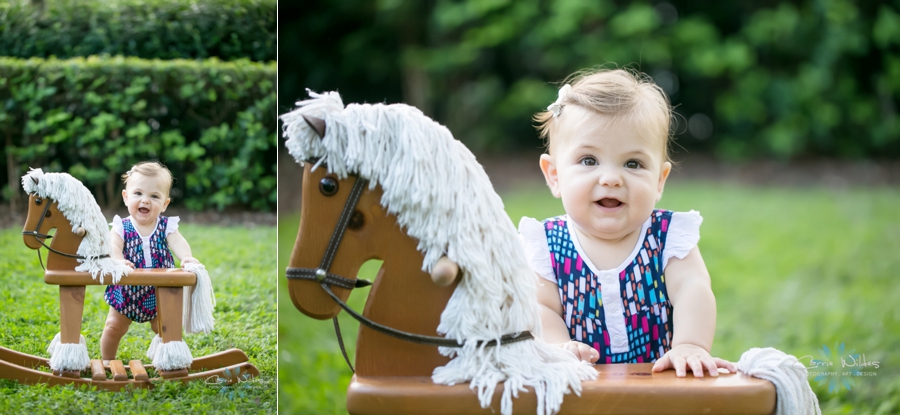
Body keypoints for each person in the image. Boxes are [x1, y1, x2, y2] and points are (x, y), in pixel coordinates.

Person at [519, 69, 736, 377]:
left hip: (660, 385)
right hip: (581, 388)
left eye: (633, 163)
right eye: (589, 160)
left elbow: (693, 288)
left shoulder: (668, 237)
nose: (611, 178)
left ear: (659, 181)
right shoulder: (547, 243)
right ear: (554, 175)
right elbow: (540, 308)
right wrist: (559, 347)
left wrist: (690, 345)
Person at [100, 161, 198, 361]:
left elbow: (178, 242)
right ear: (126, 197)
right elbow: (113, 247)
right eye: (138, 194)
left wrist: (186, 257)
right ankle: (107, 361)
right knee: (114, 326)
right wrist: (118, 262)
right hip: (126, 290)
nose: (145, 200)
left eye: (154, 196)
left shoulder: (166, 226)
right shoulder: (121, 226)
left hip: (159, 290)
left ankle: (172, 359)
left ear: (164, 204)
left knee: (166, 328)